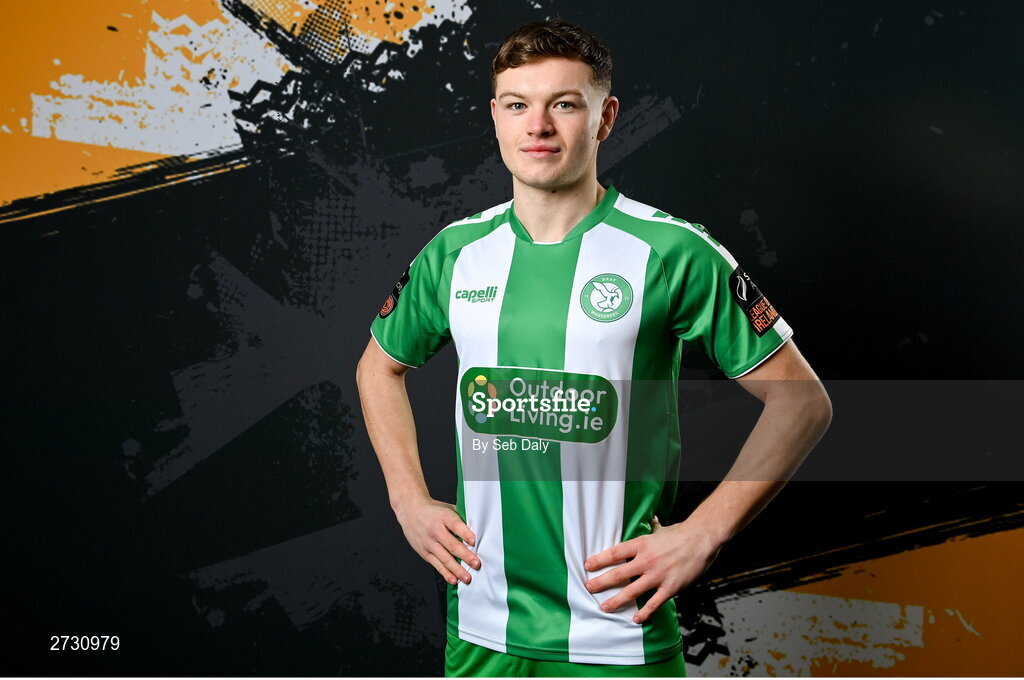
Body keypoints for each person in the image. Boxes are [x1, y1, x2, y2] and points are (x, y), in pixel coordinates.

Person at [356, 19, 832, 677]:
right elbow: (378, 368)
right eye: (519, 105)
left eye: (565, 104)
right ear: (496, 117)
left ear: (604, 118)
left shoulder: (670, 252)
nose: (539, 125)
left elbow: (802, 403)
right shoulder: (455, 252)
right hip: (482, 626)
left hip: (616, 634)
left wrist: (704, 532)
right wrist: (407, 498)